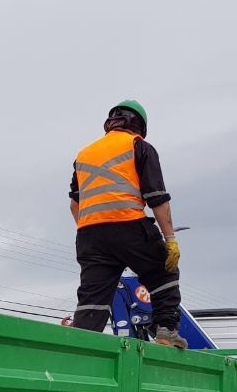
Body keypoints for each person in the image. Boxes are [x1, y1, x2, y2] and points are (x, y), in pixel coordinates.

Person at [69, 99, 186, 348]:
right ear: (139, 125)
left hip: (89, 234)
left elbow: (74, 205)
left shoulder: (84, 154)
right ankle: (166, 331)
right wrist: (170, 240)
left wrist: (94, 229)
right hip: (129, 225)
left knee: (93, 297)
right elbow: (157, 199)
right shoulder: (139, 146)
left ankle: (78, 344)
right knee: (163, 271)